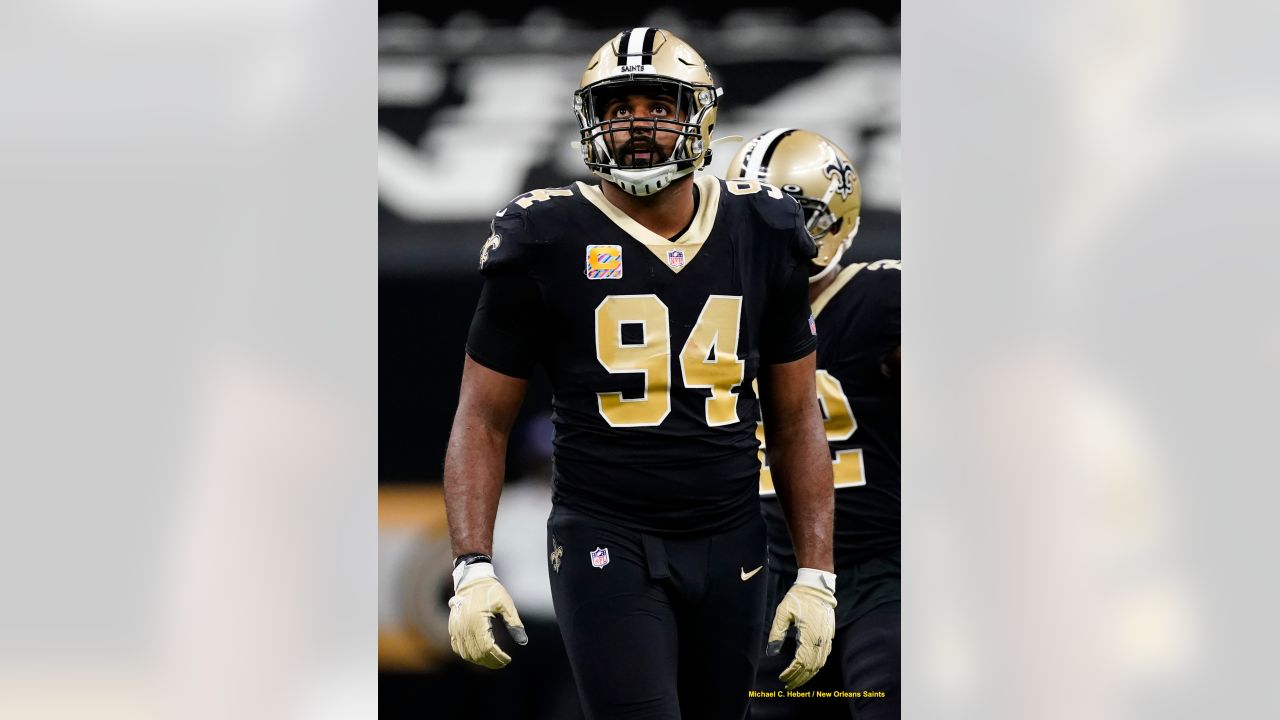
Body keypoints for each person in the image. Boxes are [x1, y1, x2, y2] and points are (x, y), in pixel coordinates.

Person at [441, 28, 838, 720]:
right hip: (605, 532)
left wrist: (817, 572)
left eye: (659, 104)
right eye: (619, 108)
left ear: (700, 114)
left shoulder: (763, 230)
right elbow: (483, 416)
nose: (638, 124)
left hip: (732, 538)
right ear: (593, 120)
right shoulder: (545, 235)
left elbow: (797, 416)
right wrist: (473, 565)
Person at [727, 129, 901, 719]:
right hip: (778, 580)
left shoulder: (882, 297)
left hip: (889, 574)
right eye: (745, 217)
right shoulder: (725, 317)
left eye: (780, 217)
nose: (760, 236)